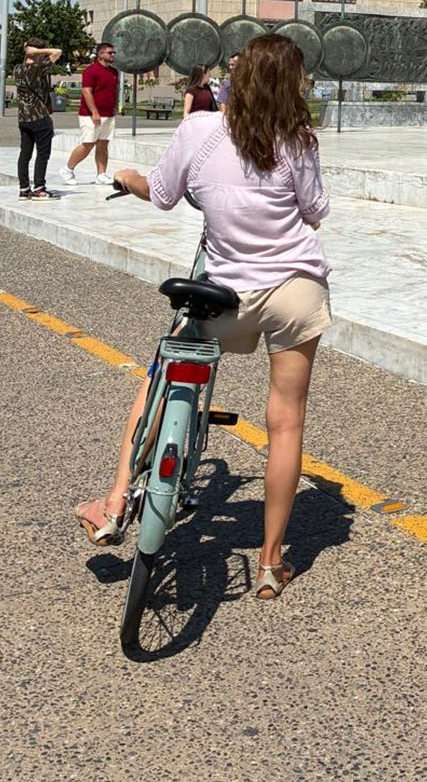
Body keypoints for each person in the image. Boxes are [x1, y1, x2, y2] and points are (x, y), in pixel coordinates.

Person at [73, 34, 333, 600]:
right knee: (285, 420)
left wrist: (126, 177)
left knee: (160, 375)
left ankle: (115, 502)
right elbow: (315, 212)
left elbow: (162, 193)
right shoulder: (298, 139)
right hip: (293, 292)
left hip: (223, 298)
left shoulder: (199, 129)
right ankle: (269, 564)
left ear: (235, 81)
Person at [59, 42, 119, 186]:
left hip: (108, 114)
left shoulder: (114, 72)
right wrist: (94, 112)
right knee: (88, 144)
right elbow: (87, 91)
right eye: (110, 53)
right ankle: (67, 169)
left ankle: (101, 174)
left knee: (103, 144)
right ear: (100, 54)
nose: (113, 55)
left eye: (113, 53)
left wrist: (115, 106)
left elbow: (115, 90)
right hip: (90, 115)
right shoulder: (91, 71)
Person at [14, 37, 62, 200]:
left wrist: (29, 50)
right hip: (39, 117)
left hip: (23, 118)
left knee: (25, 154)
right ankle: (39, 188)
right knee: (42, 154)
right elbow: (58, 52)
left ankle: (24, 189)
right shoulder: (39, 67)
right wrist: (39, 52)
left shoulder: (17, 69)